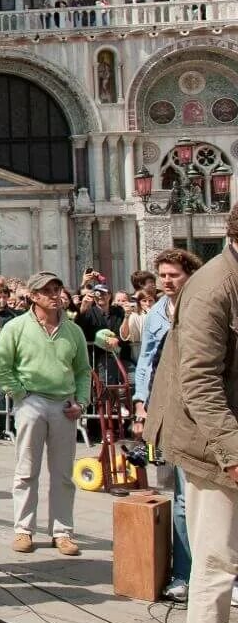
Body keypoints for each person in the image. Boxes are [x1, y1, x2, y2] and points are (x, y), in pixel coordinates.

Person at [145, 209, 238, 623]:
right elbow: (200, 386)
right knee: (218, 559)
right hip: (211, 444)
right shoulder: (211, 288)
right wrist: (234, 455)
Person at [0, 271, 90, 557]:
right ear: (33, 297)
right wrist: (20, 395)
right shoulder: (16, 327)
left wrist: (81, 402)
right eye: (47, 291)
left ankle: (62, 532)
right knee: (26, 470)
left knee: (62, 473)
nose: (55, 296)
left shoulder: (73, 330)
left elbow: (83, 370)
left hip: (64, 405)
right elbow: (1, 365)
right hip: (32, 402)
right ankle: (23, 529)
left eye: (57, 289)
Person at [134, 248, 203, 602]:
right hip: (172, 410)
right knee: (180, 497)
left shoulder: (204, 305)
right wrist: (141, 403)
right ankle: (183, 574)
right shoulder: (157, 313)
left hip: (204, 408)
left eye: (172, 275)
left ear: (189, 275)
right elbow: (146, 360)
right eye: (161, 275)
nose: (165, 281)